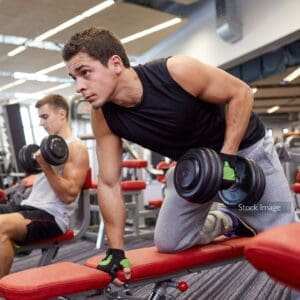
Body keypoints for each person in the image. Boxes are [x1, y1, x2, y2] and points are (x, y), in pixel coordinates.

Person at [62, 27, 297, 285]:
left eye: (85, 73)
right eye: (74, 78)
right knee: (170, 241)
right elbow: (109, 182)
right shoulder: (103, 116)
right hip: (196, 167)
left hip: (244, 151)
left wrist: (227, 158)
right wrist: (116, 250)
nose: (79, 87)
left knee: (286, 240)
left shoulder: (176, 71)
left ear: (115, 63)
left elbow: (240, 92)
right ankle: (229, 221)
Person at [0, 94, 89, 278]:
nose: (41, 123)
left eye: (45, 117)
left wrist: (45, 166)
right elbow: (52, 178)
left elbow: (69, 195)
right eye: (40, 117)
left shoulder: (76, 148)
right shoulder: (49, 148)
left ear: (62, 114)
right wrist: (38, 176)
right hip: (26, 207)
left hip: (51, 216)